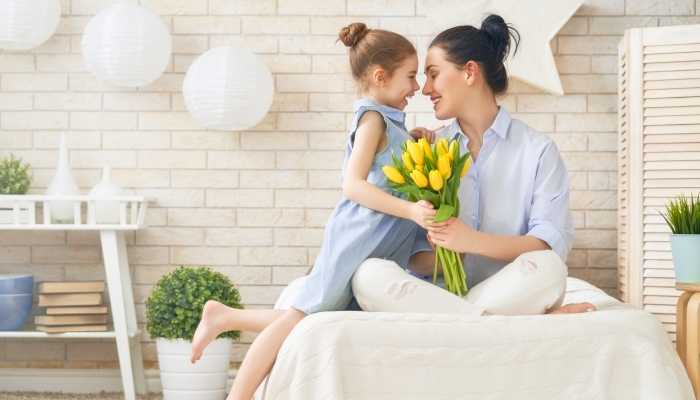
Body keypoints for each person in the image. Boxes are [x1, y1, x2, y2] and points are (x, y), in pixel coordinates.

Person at [189, 23, 443, 400]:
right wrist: (410, 210)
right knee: (298, 319)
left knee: (320, 315)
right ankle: (237, 395)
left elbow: (389, 167)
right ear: (380, 76)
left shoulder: (390, 121)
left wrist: (418, 142)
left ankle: (225, 317)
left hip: (379, 244)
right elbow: (353, 185)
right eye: (410, 76)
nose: (416, 87)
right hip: (359, 237)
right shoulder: (372, 120)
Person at [350, 14, 597, 317]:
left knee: (550, 268)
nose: (425, 89)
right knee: (366, 275)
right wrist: (449, 252)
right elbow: (408, 253)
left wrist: (472, 241)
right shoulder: (422, 151)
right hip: (432, 295)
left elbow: (546, 244)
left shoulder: (538, 151)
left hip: (507, 292)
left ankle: (464, 320)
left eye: (433, 74)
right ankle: (492, 322)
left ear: (469, 72)